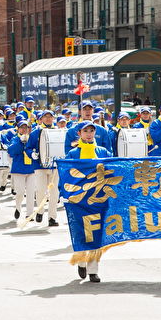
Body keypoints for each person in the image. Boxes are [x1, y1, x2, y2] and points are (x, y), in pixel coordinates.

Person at [66, 121, 112, 283]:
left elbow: (113, 170)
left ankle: (93, 270)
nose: (89, 134)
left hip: (99, 197)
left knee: (97, 233)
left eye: (92, 131)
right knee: (81, 231)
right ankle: (81, 260)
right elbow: (66, 173)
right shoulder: (73, 153)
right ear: (79, 133)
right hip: (79, 199)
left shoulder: (102, 151)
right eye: (86, 131)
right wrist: (66, 193)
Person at [7, 120, 37, 220]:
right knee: (19, 192)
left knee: (31, 192)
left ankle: (30, 214)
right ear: (18, 129)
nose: (24, 129)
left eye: (26, 127)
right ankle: (18, 207)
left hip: (31, 169)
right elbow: (11, 151)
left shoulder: (32, 139)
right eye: (22, 127)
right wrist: (21, 142)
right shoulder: (15, 139)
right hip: (18, 170)